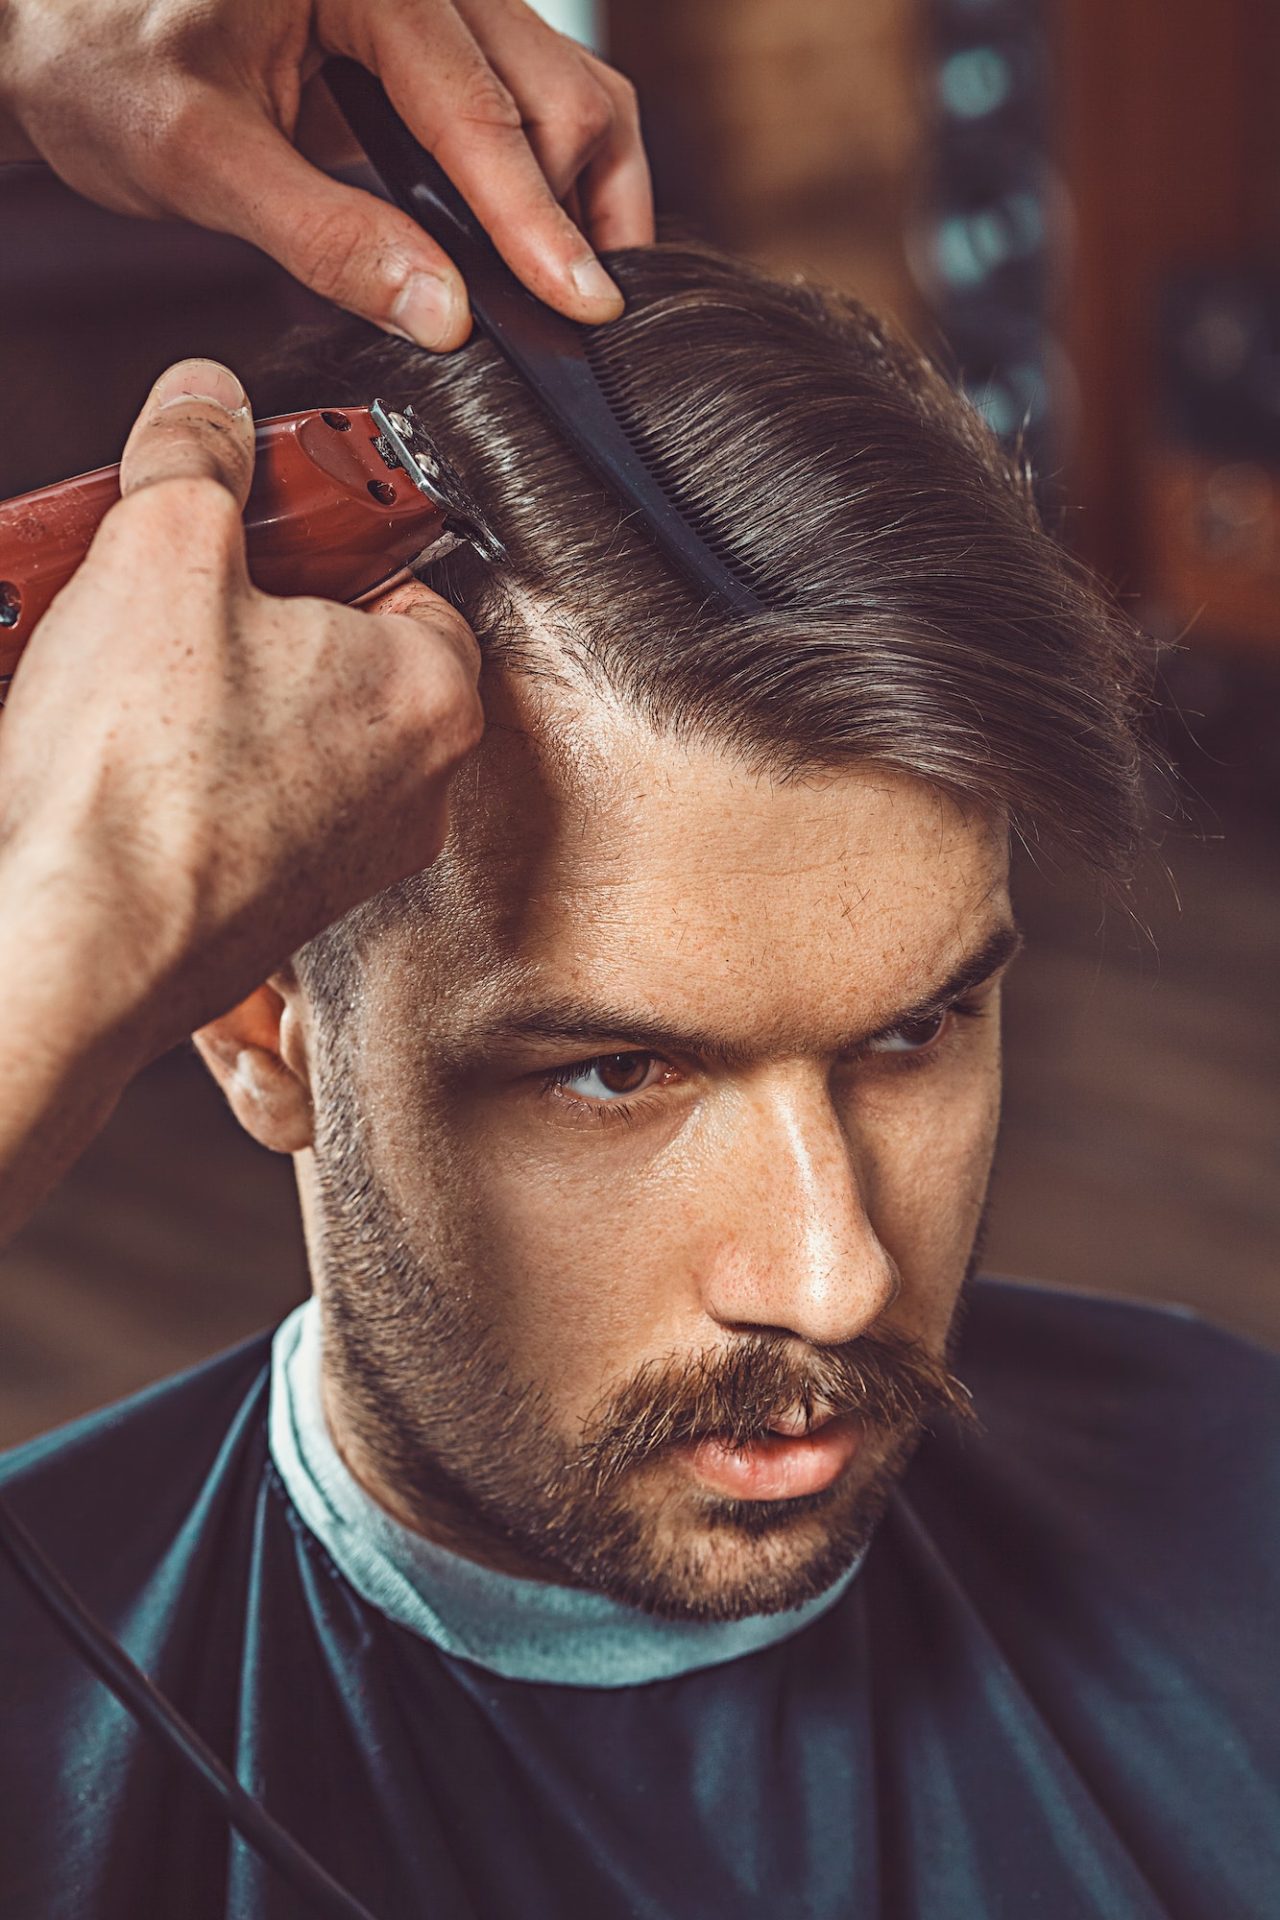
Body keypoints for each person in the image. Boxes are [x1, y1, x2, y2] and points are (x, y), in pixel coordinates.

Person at [2, 229, 1278, 1920]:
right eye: (617, 1072)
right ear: (258, 1024)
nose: (839, 1281)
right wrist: (59, 957)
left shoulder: (1239, 1486)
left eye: (914, 1030)